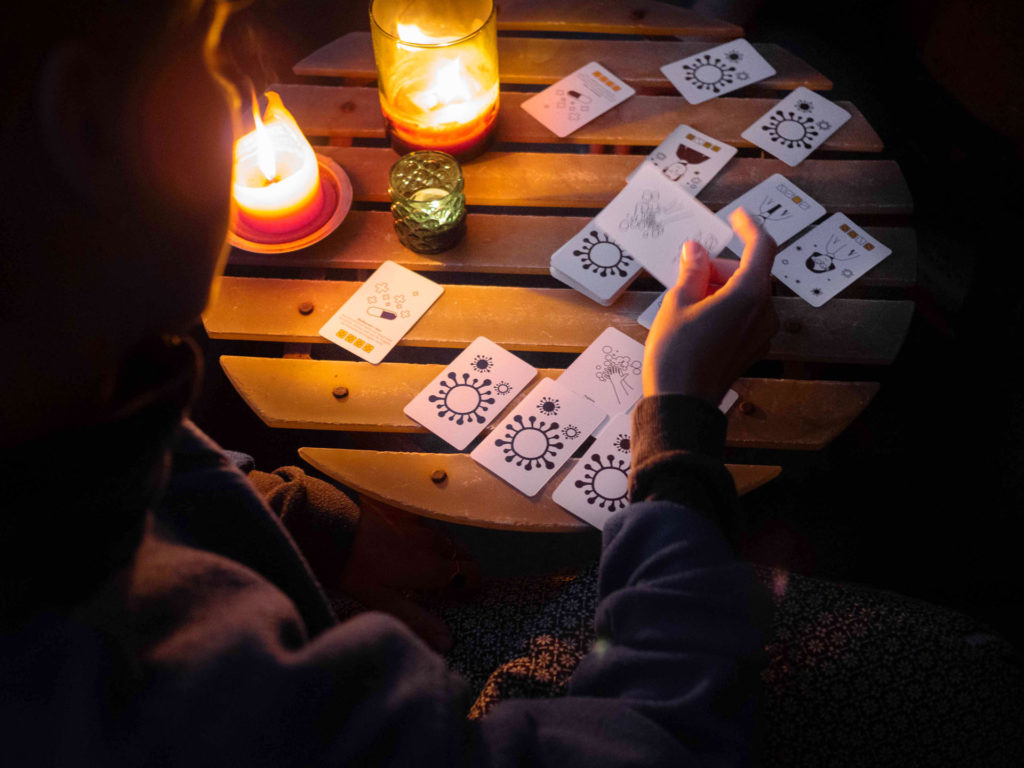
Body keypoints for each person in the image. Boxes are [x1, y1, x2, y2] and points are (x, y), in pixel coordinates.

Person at [0, 1, 779, 764]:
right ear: (85, 121)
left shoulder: (65, 390)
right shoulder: (169, 693)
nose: (247, 107)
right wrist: (679, 418)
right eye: (209, 57)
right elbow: (670, 737)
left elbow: (137, 481)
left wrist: (305, 521)